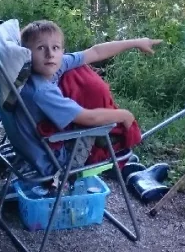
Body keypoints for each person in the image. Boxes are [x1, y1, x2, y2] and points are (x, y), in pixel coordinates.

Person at [15, 19, 161, 175]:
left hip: (33, 148)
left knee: (78, 69)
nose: (50, 54)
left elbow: (95, 52)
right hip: (54, 159)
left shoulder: (45, 67)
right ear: (27, 53)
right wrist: (124, 115)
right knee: (102, 126)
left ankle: (111, 150)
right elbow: (89, 118)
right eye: (40, 48)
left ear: (62, 51)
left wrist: (137, 42)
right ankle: (108, 158)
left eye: (55, 47)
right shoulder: (41, 91)